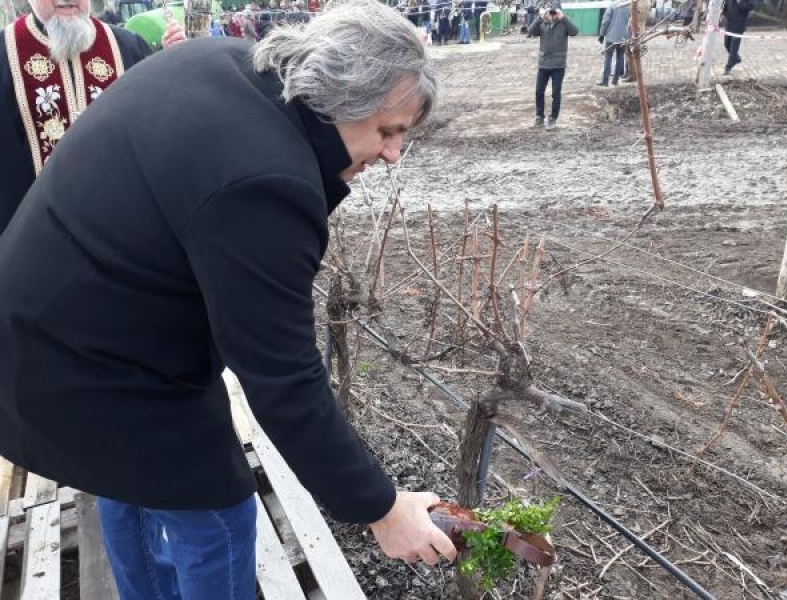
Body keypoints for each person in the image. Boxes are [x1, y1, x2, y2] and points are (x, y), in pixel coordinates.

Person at [0, 0, 457, 597]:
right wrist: (382, 508)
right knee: (218, 517)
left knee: (127, 474)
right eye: (388, 130)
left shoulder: (226, 62)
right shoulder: (266, 181)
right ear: (341, 101)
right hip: (87, 359)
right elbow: (282, 375)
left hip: (62, 324)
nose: (394, 154)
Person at [0, 0, 185, 234]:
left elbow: (161, 126)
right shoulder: (4, 52)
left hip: (125, 234)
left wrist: (176, 64)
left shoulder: (128, 47)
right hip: (37, 240)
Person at [527, 3, 577, 130]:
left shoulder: (563, 24)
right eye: (551, 12)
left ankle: (553, 118)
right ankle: (539, 117)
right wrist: (540, 17)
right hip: (543, 64)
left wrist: (563, 18)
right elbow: (529, 32)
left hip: (558, 65)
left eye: (555, 12)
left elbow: (574, 32)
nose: (553, 15)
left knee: (556, 93)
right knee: (539, 91)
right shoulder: (543, 24)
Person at [597, 0, 631, 86]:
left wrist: (601, 34)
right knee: (620, 57)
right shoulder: (630, 7)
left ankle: (605, 81)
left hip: (611, 36)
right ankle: (615, 80)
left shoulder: (612, 5)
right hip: (624, 37)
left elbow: (605, 21)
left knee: (608, 57)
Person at [722, 0, 754, 75]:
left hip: (739, 24)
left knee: (733, 47)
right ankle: (735, 58)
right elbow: (726, 4)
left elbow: (750, 6)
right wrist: (723, 14)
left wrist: (739, 2)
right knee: (727, 44)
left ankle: (728, 67)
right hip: (729, 23)